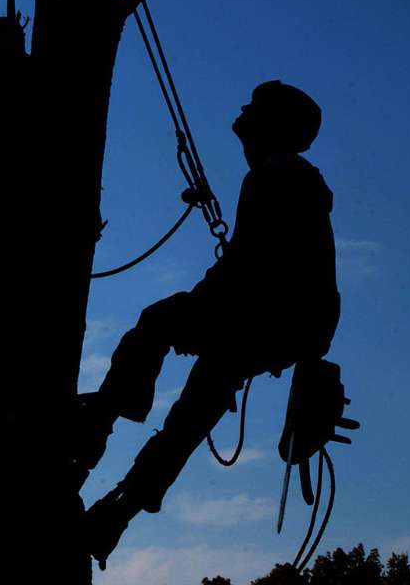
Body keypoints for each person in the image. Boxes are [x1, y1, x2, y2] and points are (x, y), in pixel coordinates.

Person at [75, 80, 343, 569]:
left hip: (265, 314)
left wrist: (198, 310)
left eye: (253, 112)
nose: (242, 116)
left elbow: (247, 266)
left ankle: (95, 431)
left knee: (156, 324)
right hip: (293, 325)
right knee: (196, 410)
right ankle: (119, 512)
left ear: (270, 126)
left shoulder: (272, 177)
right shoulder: (295, 178)